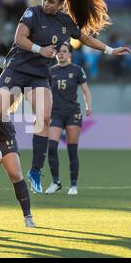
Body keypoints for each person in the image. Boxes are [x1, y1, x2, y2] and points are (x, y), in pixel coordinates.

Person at [0, 0, 131, 194]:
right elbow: (19, 39)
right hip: (16, 69)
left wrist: (111, 50)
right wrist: (39, 49)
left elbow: (85, 38)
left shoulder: (65, 22)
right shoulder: (32, 12)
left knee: (44, 118)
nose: (46, 4)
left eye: (51, 1)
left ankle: (35, 170)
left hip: (39, 76)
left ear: (61, 4)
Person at [0, 48, 36, 227]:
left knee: (15, 174)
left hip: (3, 135)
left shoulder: (3, 80)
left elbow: (16, 98)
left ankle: (28, 216)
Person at [45, 43, 91, 195]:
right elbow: (44, 92)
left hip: (73, 113)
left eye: (64, 51)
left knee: (72, 150)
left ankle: (73, 185)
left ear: (70, 54)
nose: (61, 54)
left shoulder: (77, 70)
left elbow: (85, 90)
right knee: (51, 148)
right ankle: (56, 182)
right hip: (56, 113)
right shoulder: (51, 71)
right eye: (59, 52)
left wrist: (88, 106)